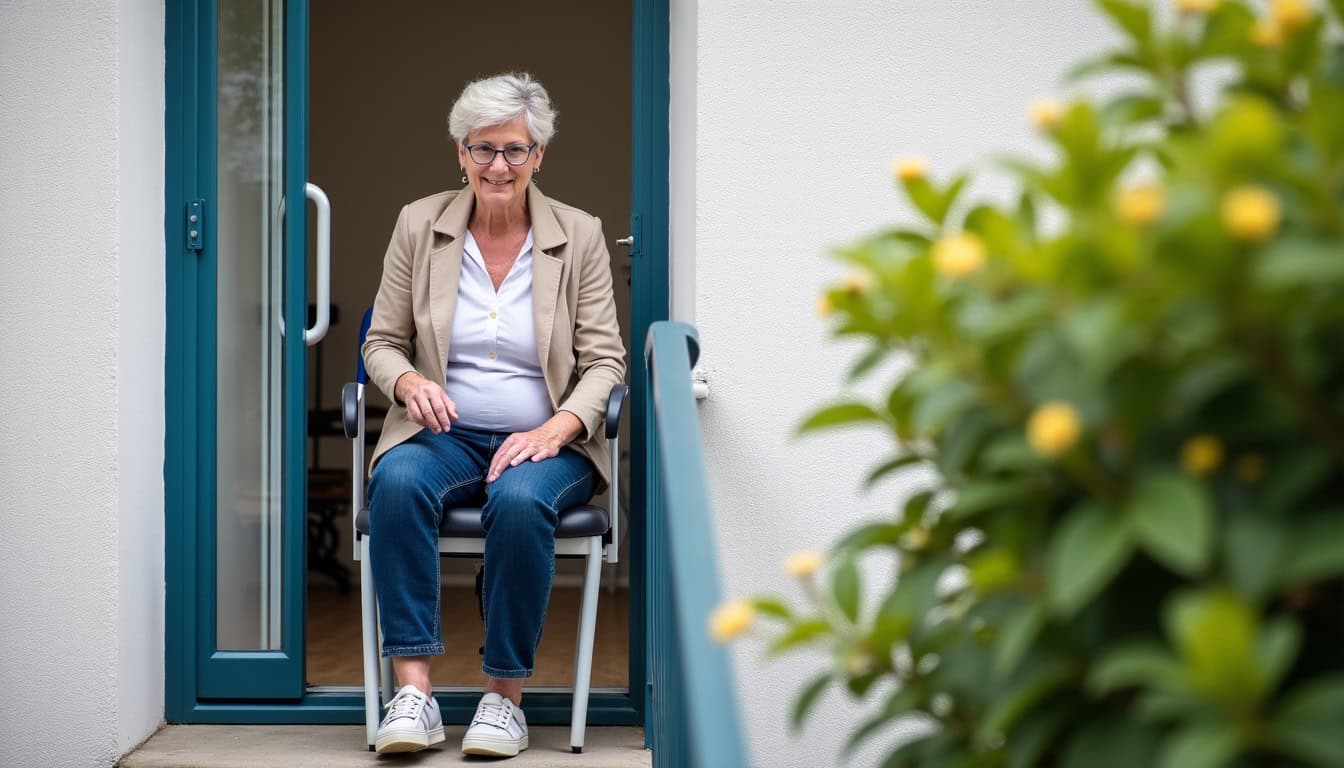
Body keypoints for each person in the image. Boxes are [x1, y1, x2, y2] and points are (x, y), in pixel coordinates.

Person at [360, 72, 625, 757]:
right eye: (482, 149)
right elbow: (381, 343)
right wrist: (410, 378)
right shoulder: (420, 225)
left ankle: (503, 699)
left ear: (539, 155)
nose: (497, 166)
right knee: (395, 482)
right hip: (443, 435)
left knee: (518, 502)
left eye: (513, 150)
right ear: (459, 152)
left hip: (549, 444)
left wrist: (557, 427)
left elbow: (605, 362)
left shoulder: (580, 234)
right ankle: (413, 694)